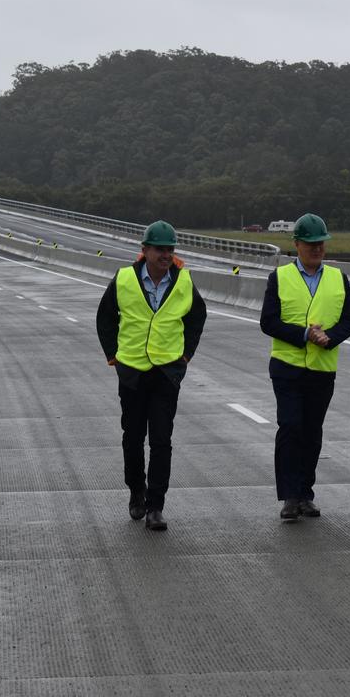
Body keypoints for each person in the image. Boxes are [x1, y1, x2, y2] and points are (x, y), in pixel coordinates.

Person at [96, 220, 207, 531]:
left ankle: (156, 506)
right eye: (160, 249)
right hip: (131, 372)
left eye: (170, 249)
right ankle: (136, 491)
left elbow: (197, 317)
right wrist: (113, 356)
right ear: (144, 250)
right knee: (133, 438)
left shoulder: (183, 281)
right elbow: (105, 318)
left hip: (166, 374)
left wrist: (185, 355)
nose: (166, 255)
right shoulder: (124, 279)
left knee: (161, 440)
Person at [260, 213, 350, 521]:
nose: (317, 249)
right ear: (297, 245)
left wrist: (329, 339)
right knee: (290, 426)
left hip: (322, 369)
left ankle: (306, 493)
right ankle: (289, 496)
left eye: (321, 244)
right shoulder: (280, 277)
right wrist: (304, 334)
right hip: (287, 368)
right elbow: (269, 322)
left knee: (312, 431)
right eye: (310, 244)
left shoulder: (337, 278)